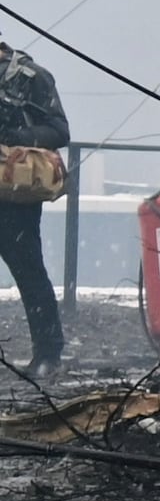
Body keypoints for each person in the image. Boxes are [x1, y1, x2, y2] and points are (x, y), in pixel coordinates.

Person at [0, 41, 64, 372]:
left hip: (15, 197)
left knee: (29, 272)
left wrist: (13, 137)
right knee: (31, 273)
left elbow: (59, 132)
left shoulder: (30, 78)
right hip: (13, 196)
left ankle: (48, 354)